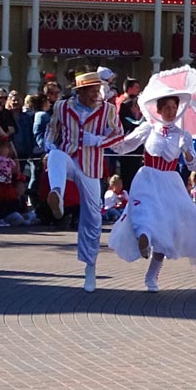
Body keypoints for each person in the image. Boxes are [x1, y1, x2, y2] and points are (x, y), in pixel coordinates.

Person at [108, 94, 196, 293]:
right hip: (147, 178)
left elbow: (194, 165)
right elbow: (125, 146)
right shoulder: (148, 128)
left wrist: (187, 151)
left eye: (174, 107)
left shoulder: (183, 135)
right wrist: (110, 137)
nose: (171, 112)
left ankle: (152, 274)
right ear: (159, 110)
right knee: (143, 211)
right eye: (167, 107)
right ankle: (143, 238)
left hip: (170, 181)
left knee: (166, 228)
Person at [45, 71, 125, 292]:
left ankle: (90, 268)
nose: (95, 95)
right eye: (90, 91)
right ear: (79, 91)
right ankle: (57, 196)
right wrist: (49, 145)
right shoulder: (62, 107)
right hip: (70, 158)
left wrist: (99, 140)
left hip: (91, 167)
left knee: (92, 218)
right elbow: (52, 130)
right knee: (55, 157)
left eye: (97, 90)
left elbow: (119, 135)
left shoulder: (107, 110)